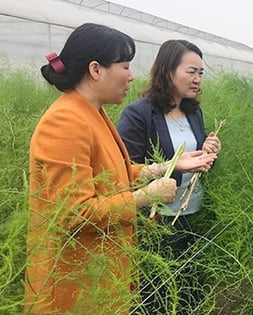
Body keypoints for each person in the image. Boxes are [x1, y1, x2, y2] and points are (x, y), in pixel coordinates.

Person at [25, 23, 215, 314]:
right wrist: (145, 197)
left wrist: (166, 166)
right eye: (125, 66)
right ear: (96, 70)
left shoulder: (91, 113)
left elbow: (113, 174)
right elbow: (76, 214)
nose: (131, 76)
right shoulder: (64, 122)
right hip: (76, 282)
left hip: (101, 272)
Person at [117, 39, 221, 314]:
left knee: (188, 285)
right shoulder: (139, 114)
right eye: (191, 71)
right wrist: (175, 167)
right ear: (167, 70)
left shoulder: (192, 112)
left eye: (201, 73)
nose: (198, 79)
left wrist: (208, 151)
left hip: (192, 212)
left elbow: (193, 159)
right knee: (158, 289)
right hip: (157, 219)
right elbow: (126, 171)